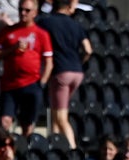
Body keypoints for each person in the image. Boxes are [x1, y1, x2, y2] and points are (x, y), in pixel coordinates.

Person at [0, 1, 52, 135]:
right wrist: (12, 49)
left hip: (31, 84)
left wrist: (42, 83)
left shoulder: (41, 34)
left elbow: (49, 62)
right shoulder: (8, 31)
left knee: (27, 125)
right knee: (5, 121)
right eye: (21, 10)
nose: (23, 13)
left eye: (27, 10)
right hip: (10, 85)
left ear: (35, 13)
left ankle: (25, 151)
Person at [37, 0, 90, 151]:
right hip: (77, 73)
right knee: (56, 111)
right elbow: (88, 50)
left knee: (61, 117)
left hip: (60, 73)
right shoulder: (76, 25)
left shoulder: (46, 22)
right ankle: (55, 146)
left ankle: (73, 150)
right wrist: (80, 61)